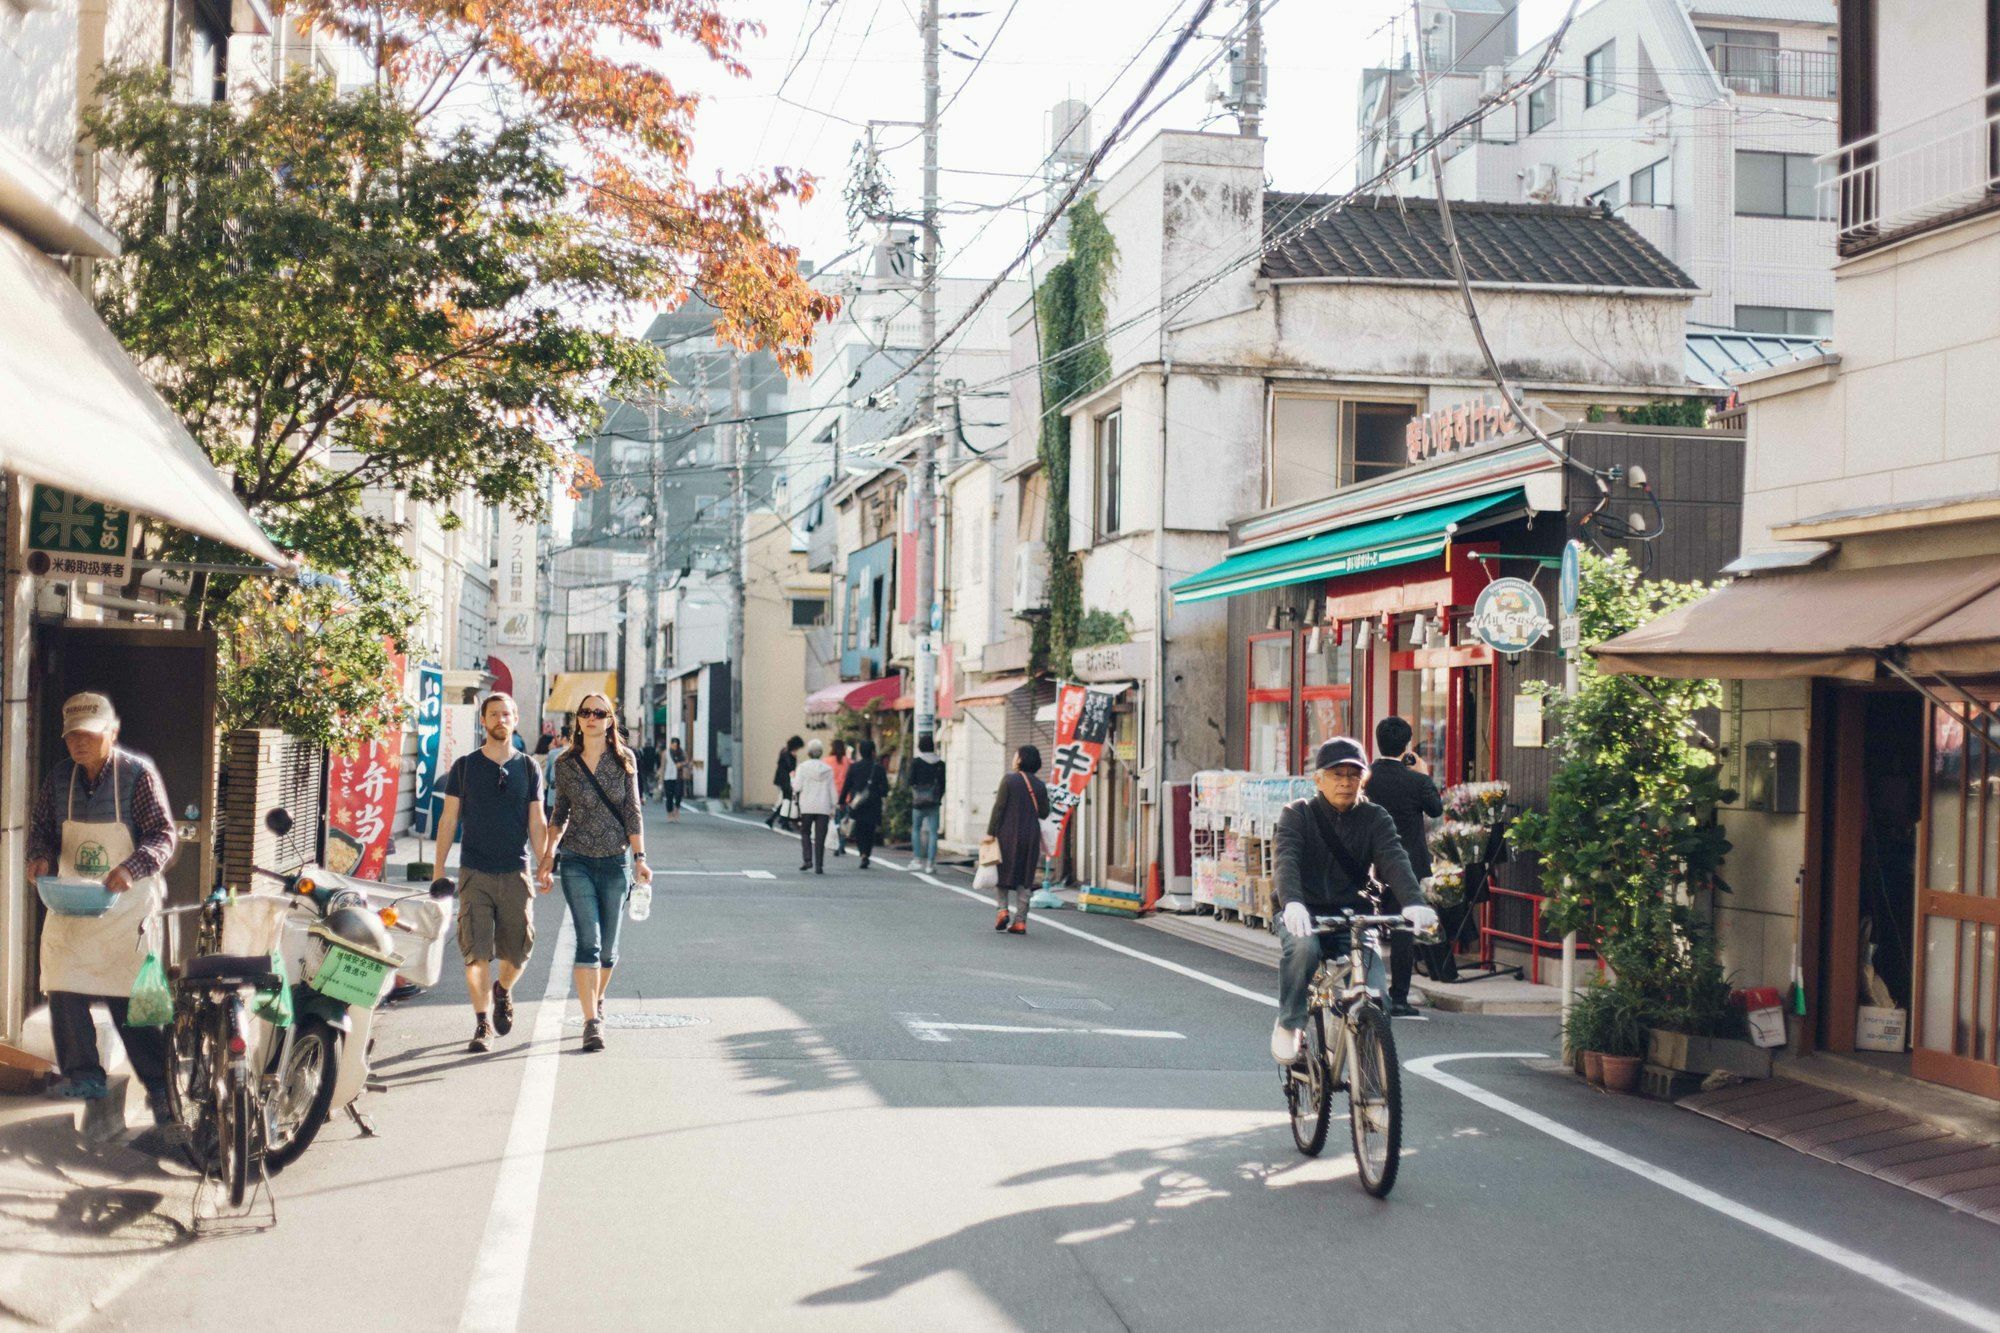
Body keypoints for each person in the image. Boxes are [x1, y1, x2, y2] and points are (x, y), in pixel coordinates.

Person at [24, 693, 176, 1120]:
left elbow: (163, 835)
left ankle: (160, 1086)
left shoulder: (137, 774)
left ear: (112, 732)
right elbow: (41, 833)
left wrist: (131, 867)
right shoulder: (58, 779)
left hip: (126, 908)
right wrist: (40, 860)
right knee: (62, 980)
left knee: (129, 998)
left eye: (88, 734)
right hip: (73, 902)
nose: (79, 743)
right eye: (72, 735)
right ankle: (84, 1074)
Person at [1270, 737, 1439, 1064]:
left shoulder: (1376, 818)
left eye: (1353, 774)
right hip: (1306, 915)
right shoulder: (1297, 815)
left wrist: (1414, 901)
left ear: (1365, 778)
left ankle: (1372, 1089)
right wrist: (1292, 902)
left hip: (1356, 918)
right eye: (1337, 774)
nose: (1345, 782)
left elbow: (1394, 858)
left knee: (1376, 998)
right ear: (1318, 779)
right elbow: (1286, 860)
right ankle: (1290, 1023)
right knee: (1304, 950)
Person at [434, 693, 553, 1055]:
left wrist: (544, 863)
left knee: (517, 953)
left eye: (507, 714)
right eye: (494, 714)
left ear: (515, 719)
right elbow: (449, 819)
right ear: (483, 721)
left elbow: (537, 820)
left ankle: (502, 990)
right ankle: (482, 1022)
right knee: (476, 953)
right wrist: (439, 870)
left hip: (516, 870)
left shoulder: (530, 768)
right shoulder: (465, 767)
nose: (501, 719)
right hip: (475, 871)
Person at [543, 693, 651, 1054]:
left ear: (609, 720)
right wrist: (547, 856)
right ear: (578, 720)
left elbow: (633, 811)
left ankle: (597, 999)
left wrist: (640, 857)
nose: (591, 717)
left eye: (599, 712)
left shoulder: (624, 760)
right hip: (576, 860)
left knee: (608, 949)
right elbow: (559, 814)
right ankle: (591, 1022)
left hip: (616, 862)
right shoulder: (565, 763)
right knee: (587, 941)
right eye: (585, 712)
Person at [1367, 716, 1444, 1018]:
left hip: (1369, 863)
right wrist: (1423, 773)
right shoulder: (1416, 780)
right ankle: (1398, 998)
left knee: (1367, 926)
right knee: (1402, 931)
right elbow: (1436, 809)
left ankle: (1369, 990)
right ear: (1407, 746)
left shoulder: (1366, 777)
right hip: (1407, 865)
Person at [985, 745, 1049, 935]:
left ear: (1021, 759)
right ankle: (1020, 921)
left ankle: (1002, 910)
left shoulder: (1009, 780)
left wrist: (990, 833)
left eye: (1015, 756)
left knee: (1002, 872)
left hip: (1007, 833)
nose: (1013, 759)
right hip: (1030, 835)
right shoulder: (1039, 785)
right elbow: (1044, 813)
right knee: (1025, 876)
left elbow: (999, 808)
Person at [838, 738, 889, 869]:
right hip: (873, 803)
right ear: (873, 752)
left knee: (860, 830)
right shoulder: (878, 768)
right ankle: (867, 853)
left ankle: (862, 854)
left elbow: (847, 785)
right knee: (870, 830)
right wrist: (878, 793)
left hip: (857, 803)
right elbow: (885, 789)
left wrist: (842, 801)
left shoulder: (854, 767)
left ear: (860, 752)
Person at [793, 739, 837, 874]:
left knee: (805, 832)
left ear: (809, 752)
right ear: (821, 753)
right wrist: (834, 805)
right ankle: (819, 865)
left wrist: (792, 781)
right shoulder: (827, 769)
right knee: (820, 837)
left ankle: (807, 860)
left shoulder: (802, 767)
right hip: (823, 806)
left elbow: (797, 786)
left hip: (807, 805)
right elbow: (832, 789)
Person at [907, 734, 946, 874]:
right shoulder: (940, 764)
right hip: (934, 802)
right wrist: (938, 797)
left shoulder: (916, 762)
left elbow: (910, 781)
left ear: (920, 746)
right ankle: (930, 864)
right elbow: (943, 785)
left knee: (916, 829)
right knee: (933, 833)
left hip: (918, 802)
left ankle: (917, 859)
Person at [766, 735, 803, 831]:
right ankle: (782, 821)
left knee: (786, 800)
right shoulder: (788, 753)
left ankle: (776, 819)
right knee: (787, 800)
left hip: (782, 779)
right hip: (785, 780)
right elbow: (790, 767)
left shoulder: (784, 751)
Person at [826, 738, 853, 856]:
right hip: (845, 796)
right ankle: (841, 845)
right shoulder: (847, 761)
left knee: (834, 821)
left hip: (832, 796)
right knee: (844, 821)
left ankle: (835, 843)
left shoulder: (827, 761)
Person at [664, 738, 691, 819]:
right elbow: (662, 766)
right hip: (668, 776)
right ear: (670, 744)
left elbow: (687, 761)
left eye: (676, 745)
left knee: (678, 794)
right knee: (669, 796)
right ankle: (669, 814)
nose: (675, 746)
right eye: (673, 744)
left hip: (678, 777)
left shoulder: (682, 752)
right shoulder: (666, 753)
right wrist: (660, 780)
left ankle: (676, 810)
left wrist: (681, 763)